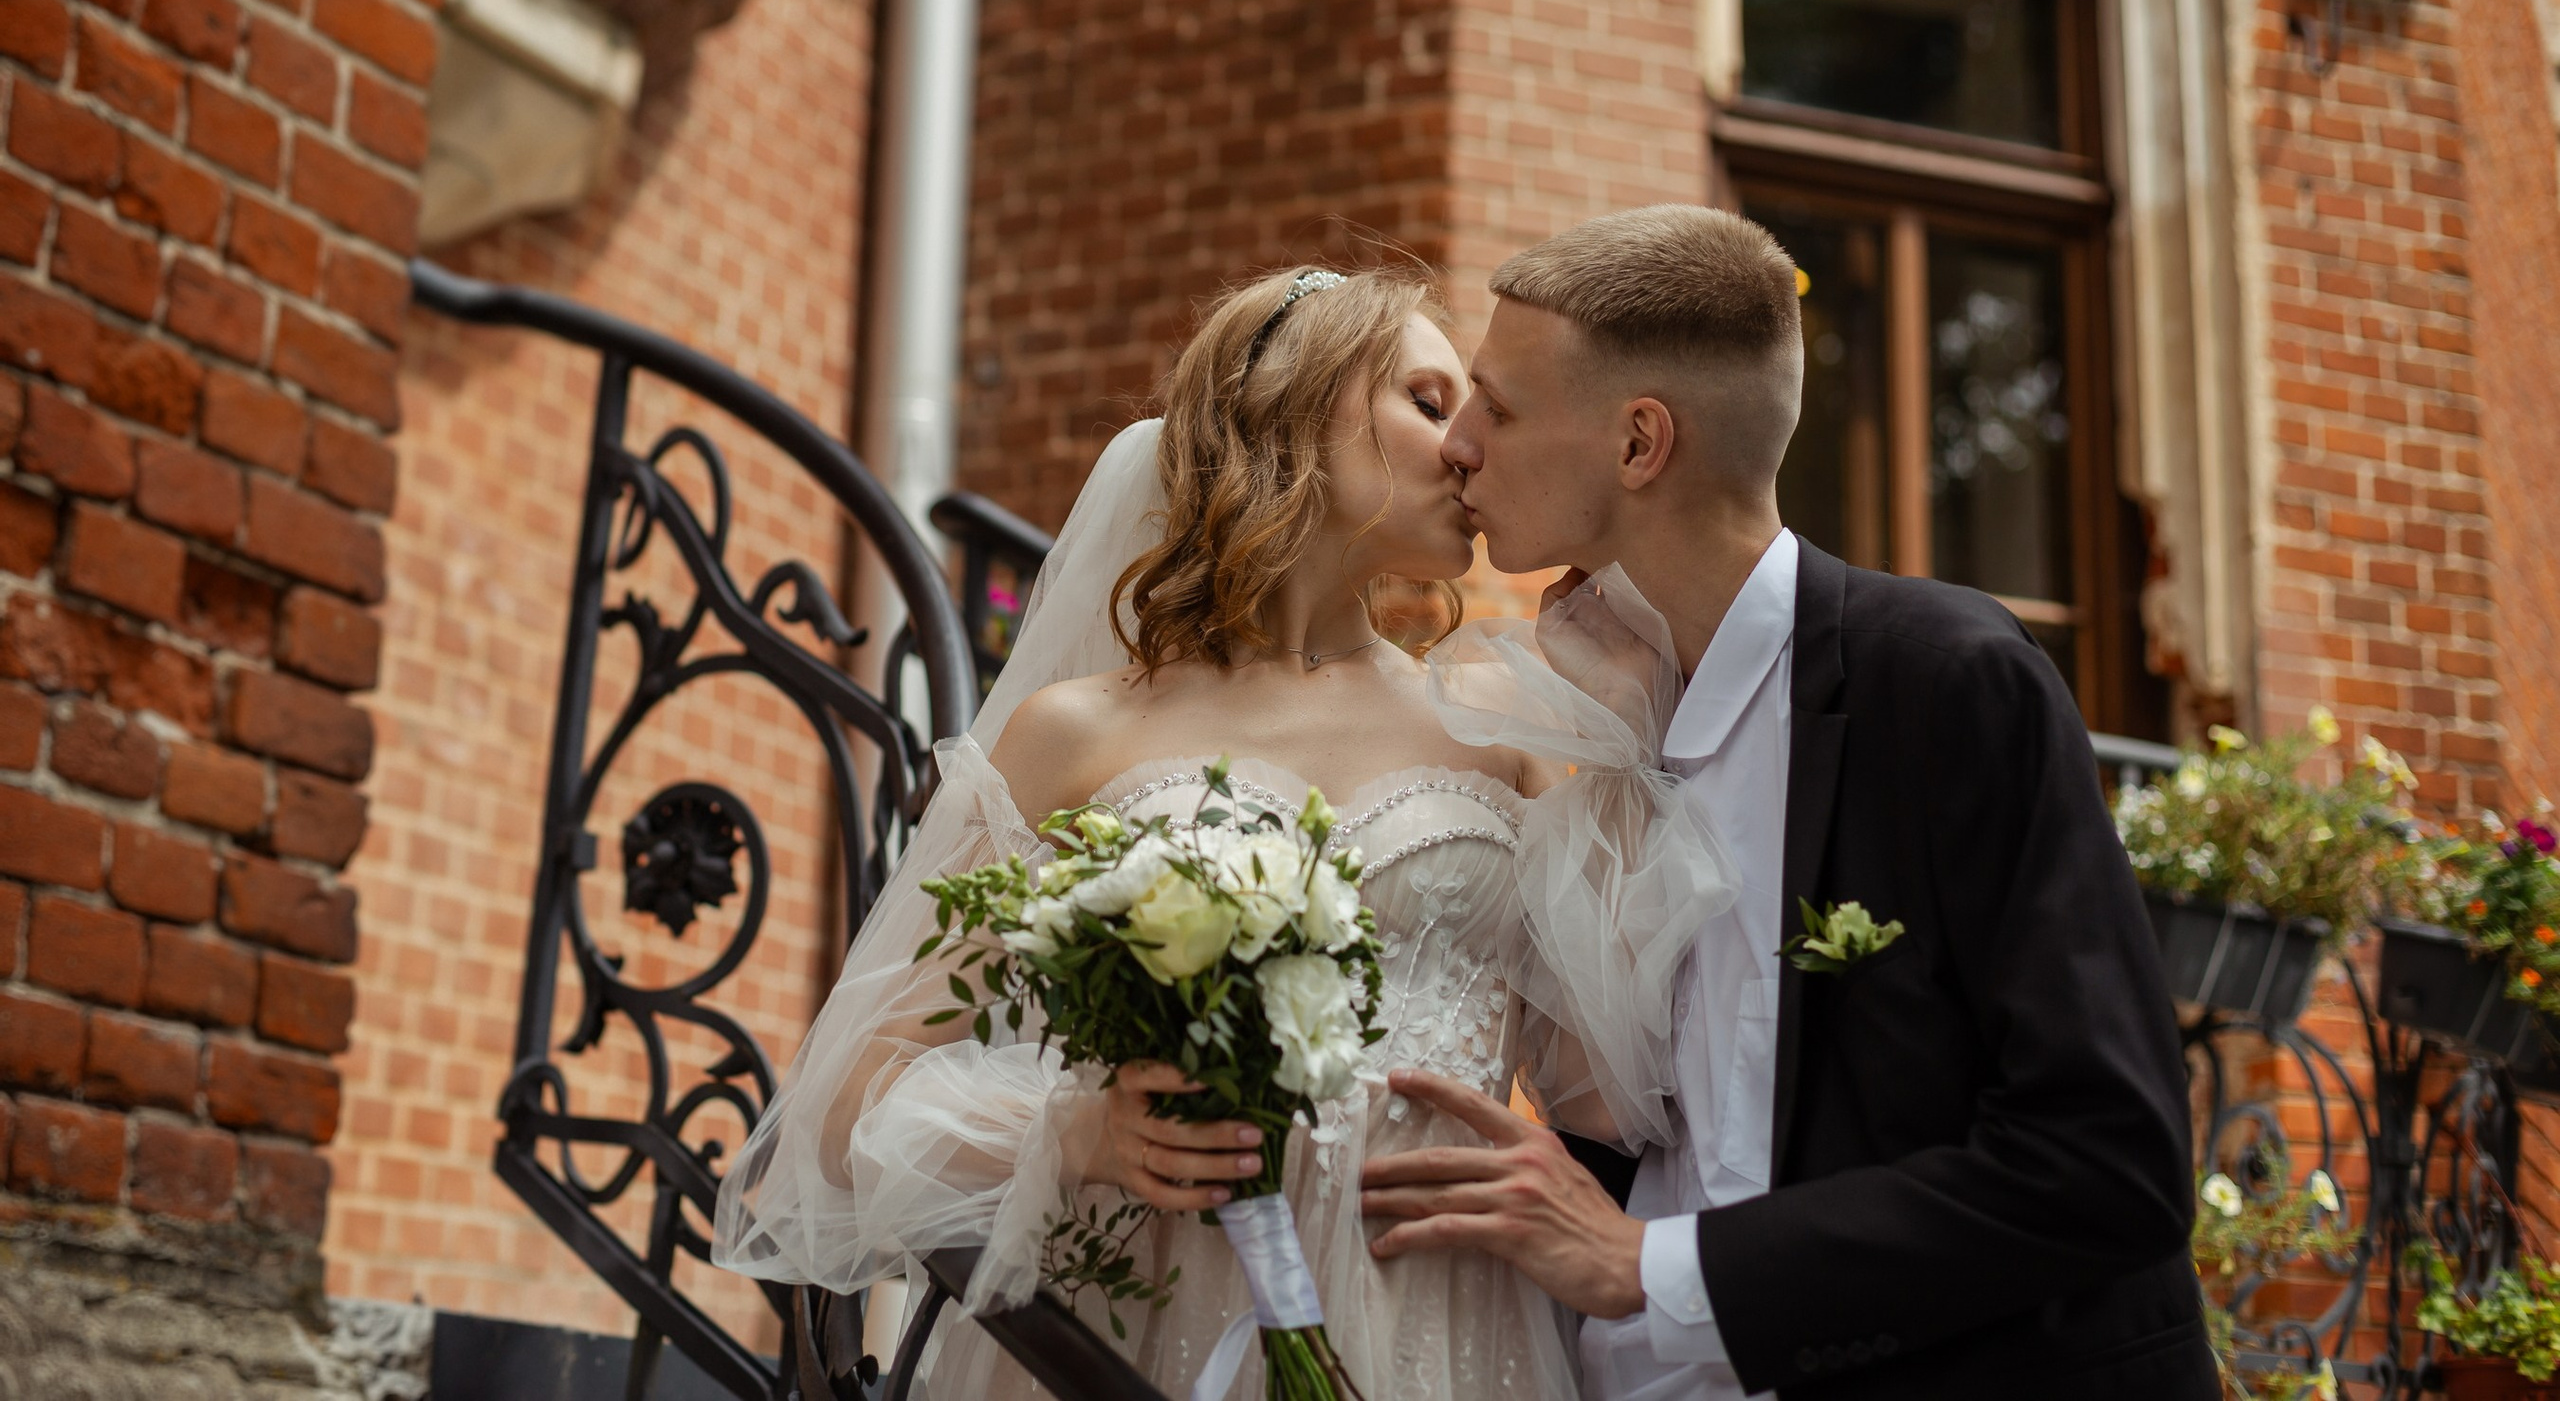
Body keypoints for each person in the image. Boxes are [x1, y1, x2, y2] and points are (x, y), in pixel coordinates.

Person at [713, 257, 1732, 1399]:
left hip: (1429, 1313)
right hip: (1129, 1310)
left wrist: (1625, 731)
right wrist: (1077, 1133)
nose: (1466, 449)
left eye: (1477, 413)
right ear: (1287, 414)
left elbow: (1620, 1094)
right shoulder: (1075, 735)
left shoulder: (1512, 725)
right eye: (1428, 401)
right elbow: (853, 1097)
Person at [1356, 205, 2216, 1400]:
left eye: (1496, 407)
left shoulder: (1943, 678)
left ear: (1639, 443)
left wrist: (1652, 1268)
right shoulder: (1597, 711)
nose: (1461, 447)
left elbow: (2107, 1160)